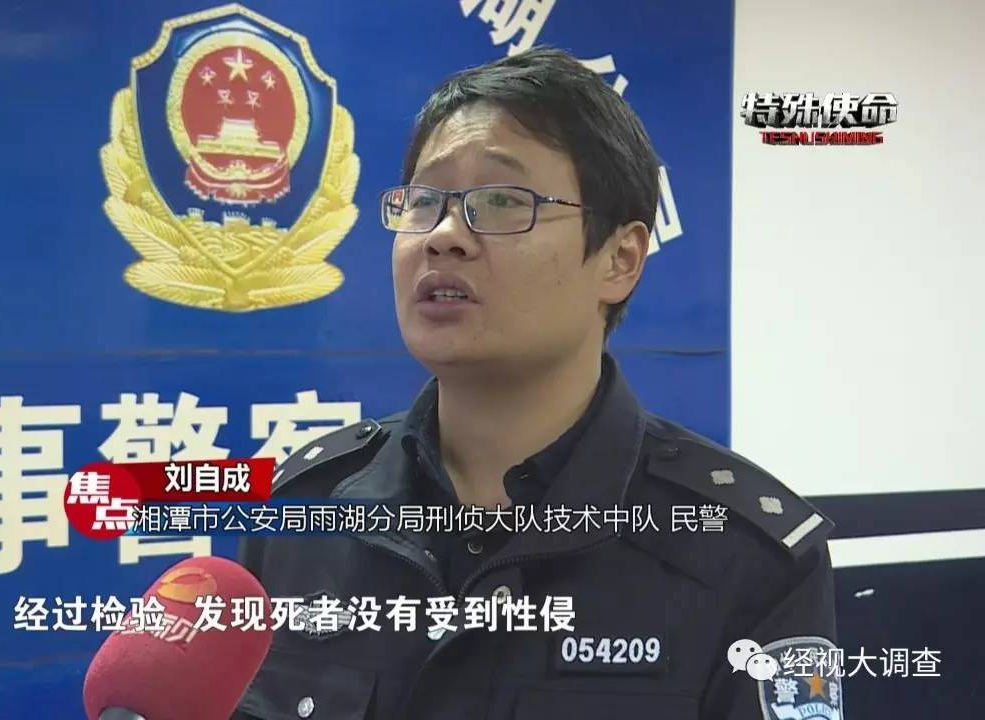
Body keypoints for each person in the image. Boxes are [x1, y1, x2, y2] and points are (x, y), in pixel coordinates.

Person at [233, 47, 839, 720]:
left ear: (620, 259)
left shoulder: (744, 556)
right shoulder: (303, 513)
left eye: (501, 201)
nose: (443, 236)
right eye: (425, 201)